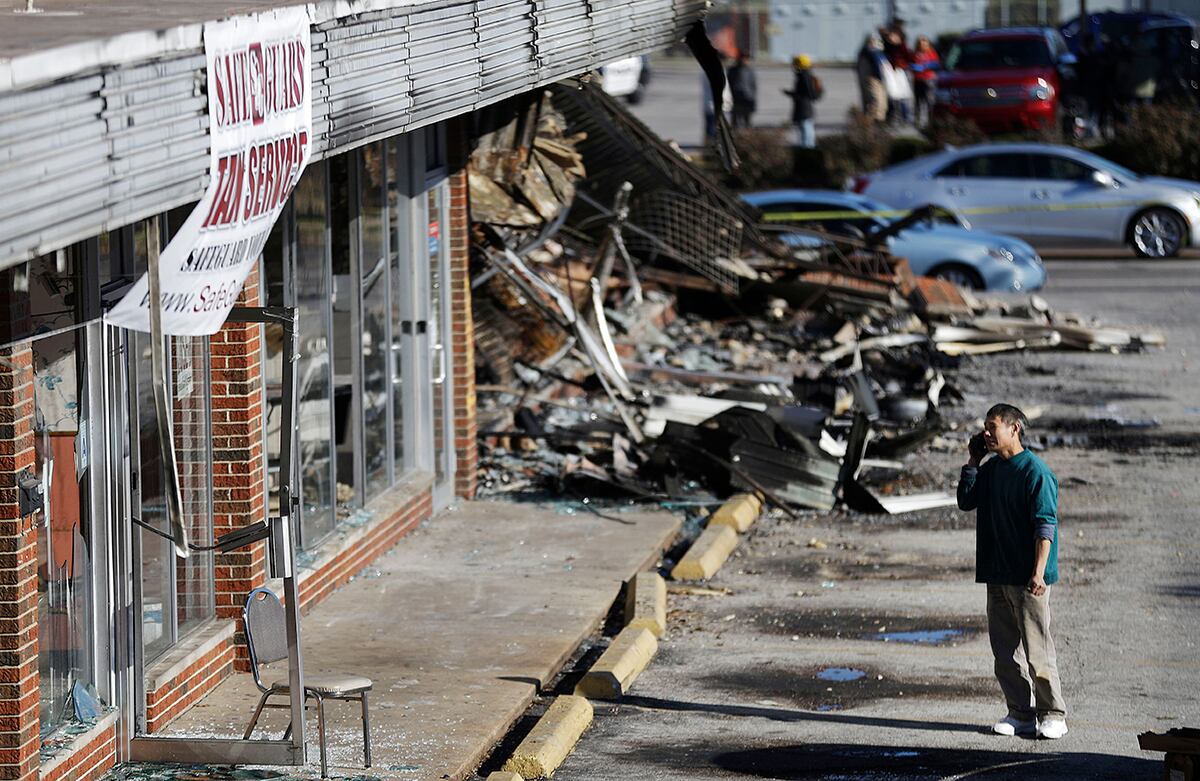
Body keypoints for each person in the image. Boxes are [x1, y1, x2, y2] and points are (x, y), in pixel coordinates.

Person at [957, 404, 1068, 741]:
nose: (987, 433)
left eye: (993, 427)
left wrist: (1038, 572)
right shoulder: (992, 469)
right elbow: (966, 501)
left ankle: (1053, 714)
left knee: (1037, 650)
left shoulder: (1036, 472)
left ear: (1014, 428)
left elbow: (1045, 526)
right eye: (985, 427)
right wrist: (973, 461)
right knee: (1004, 652)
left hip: (1028, 577)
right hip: (997, 573)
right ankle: (1020, 713)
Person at [784, 54, 822, 148]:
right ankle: (807, 148)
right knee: (806, 130)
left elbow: (807, 93)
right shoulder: (806, 75)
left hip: (804, 109)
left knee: (806, 131)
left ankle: (807, 150)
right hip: (806, 109)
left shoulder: (804, 76)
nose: (794, 66)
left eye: (796, 64)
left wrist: (794, 94)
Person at [857, 34, 889, 123]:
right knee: (875, 100)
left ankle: (879, 119)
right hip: (872, 78)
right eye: (874, 41)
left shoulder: (879, 52)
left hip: (880, 79)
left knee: (881, 101)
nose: (877, 43)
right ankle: (873, 120)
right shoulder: (868, 51)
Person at [911, 35, 940, 126]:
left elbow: (936, 64)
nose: (923, 45)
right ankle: (918, 121)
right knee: (918, 101)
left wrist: (925, 66)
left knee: (930, 101)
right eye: (920, 43)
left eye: (925, 43)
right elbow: (911, 64)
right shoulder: (915, 54)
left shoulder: (931, 52)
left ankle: (931, 121)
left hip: (929, 80)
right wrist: (913, 67)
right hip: (918, 80)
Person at [726, 52, 757, 128]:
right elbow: (728, 84)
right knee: (735, 120)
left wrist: (753, 98)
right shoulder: (732, 70)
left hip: (747, 98)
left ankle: (746, 132)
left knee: (747, 120)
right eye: (744, 59)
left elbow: (753, 85)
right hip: (735, 98)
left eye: (747, 59)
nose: (746, 61)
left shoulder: (750, 71)